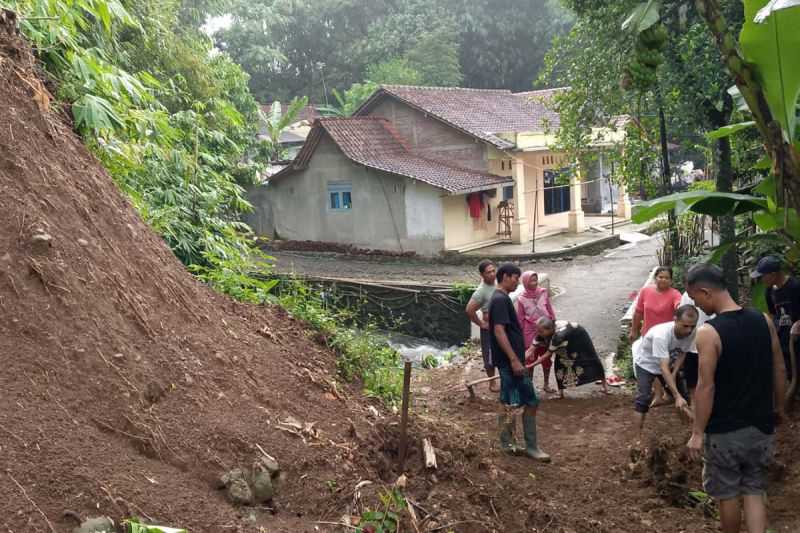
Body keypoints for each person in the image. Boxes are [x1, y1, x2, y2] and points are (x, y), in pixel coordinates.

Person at [685, 264, 786, 533]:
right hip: (761, 426)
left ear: (705, 291)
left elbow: (706, 387)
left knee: (727, 494)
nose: (697, 307)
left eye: (695, 299)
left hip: (725, 432)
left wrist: (697, 432)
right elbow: (779, 368)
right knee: (754, 489)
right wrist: (780, 406)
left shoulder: (709, 333)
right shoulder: (764, 320)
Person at [488, 263, 550, 462]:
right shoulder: (499, 300)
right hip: (510, 364)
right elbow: (499, 331)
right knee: (529, 401)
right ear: (506, 276)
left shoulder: (502, 298)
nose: (518, 282)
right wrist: (514, 360)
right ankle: (527, 446)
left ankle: (508, 443)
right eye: (516, 278)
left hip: (510, 362)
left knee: (510, 401)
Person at [631, 305, 697, 436]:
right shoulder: (661, 335)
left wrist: (674, 373)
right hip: (646, 364)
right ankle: (636, 437)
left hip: (668, 363)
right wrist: (676, 395)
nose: (689, 330)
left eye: (692, 326)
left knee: (684, 398)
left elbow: (682, 353)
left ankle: (688, 433)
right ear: (675, 320)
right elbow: (662, 367)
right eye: (685, 326)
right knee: (643, 399)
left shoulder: (691, 331)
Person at [630, 266, 682, 405]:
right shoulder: (646, 291)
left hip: (666, 338)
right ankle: (658, 394)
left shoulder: (675, 294)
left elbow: (679, 306)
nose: (663, 280)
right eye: (660, 277)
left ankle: (670, 393)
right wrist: (634, 330)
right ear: (655, 278)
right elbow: (638, 312)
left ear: (671, 280)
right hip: (647, 335)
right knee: (649, 365)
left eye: (667, 278)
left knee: (663, 366)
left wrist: (680, 309)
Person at [751, 255, 800, 387]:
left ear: (773, 274)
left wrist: (797, 324)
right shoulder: (770, 292)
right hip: (782, 336)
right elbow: (773, 315)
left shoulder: (795, 287)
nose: (761, 279)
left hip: (796, 337)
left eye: (763, 276)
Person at [532, 318, 609, 399]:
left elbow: (546, 355)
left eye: (541, 331)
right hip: (565, 339)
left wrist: (530, 365)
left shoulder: (558, 336)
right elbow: (531, 349)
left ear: (550, 329)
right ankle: (561, 393)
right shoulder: (545, 331)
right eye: (538, 331)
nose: (539, 333)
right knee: (560, 362)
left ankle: (605, 387)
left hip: (580, 337)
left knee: (591, 358)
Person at [516, 271, 557, 392]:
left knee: (546, 358)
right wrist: (521, 335)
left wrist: (553, 322)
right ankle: (530, 386)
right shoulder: (521, 298)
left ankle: (546, 384)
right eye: (531, 281)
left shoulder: (543, 292)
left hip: (546, 330)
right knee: (530, 359)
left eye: (536, 280)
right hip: (530, 332)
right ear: (525, 283)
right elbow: (520, 319)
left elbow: (549, 308)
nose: (534, 283)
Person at [677, 287, 714, 402]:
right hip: (691, 344)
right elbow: (682, 314)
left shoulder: (713, 293)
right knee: (692, 383)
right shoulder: (687, 296)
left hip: (709, 345)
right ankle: (695, 408)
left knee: (708, 380)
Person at [466, 260, 498, 390]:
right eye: (488, 272)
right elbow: (469, 310)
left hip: (501, 326)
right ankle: (492, 382)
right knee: (489, 355)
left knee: (502, 353)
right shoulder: (481, 291)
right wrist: (481, 324)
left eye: (493, 271)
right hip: (489, 328)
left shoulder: (497, 283)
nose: (492, 274)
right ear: (482, 275)